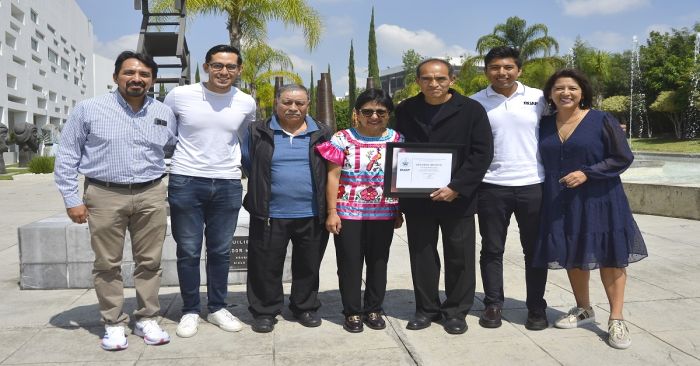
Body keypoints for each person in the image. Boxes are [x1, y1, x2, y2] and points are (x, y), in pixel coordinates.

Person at [54, 51, 175, 350]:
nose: (137, 79)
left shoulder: (163, 112)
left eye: (144, 74)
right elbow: (67, 155)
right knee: (107, 263)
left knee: (150, 261)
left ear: (152, 79)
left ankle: (147, 317)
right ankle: (113, 322)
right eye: (129, 73)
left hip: (151, 193)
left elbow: (171, 148)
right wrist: (72, 198)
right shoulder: (89, 109)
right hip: (104, 193)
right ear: (116, 76)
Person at [534, 68, 648, 349]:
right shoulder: (544, 124)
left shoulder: (601, 120)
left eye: (572, 88)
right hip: (562, 200)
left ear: (582, 92)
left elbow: (623, 157)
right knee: (573, 253)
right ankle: (583, 308)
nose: (566, 93)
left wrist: (588, 172)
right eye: (559, 88)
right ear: (550, 94)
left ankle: (617, 318)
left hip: (601, 198)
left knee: (611, 256)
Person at [394, 58, 493, 334]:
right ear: (418, 82)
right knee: (422, 255)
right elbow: (397, 148)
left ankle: (456, 312)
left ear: (452, 80)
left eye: (440, 78)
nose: (433, 84)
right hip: (417, 198)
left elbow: (482, 153)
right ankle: (426, 309)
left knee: (459, 256)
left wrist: (457, 186)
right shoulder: (406, 110)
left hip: (457, 198)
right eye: (427, 79)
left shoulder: (472, 110)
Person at [164, 44, 256, 338]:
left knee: (221, 251)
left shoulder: (245, 102)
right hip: (186, 180)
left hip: (228, 183)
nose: (223, 72)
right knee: (188, 250)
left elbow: (244, 140)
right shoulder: (179, 96)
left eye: (230, 67)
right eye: (217, 65)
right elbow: (166, 135)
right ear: (206, 67)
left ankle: (217, 307)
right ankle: (190, 310)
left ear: (239, 70)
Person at [470, 46, 549, 330]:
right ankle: (493, 304)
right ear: (487, 70)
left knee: (535, 250)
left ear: (519, 70)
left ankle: (536, 308)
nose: (501, 73)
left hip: (533, 185)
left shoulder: (540, 98)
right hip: (492, 186)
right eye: (495, 67)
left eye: (508, 67)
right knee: (492, 249)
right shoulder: (475, 102)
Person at [242, 84, 332, 333]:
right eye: (287, 102)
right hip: (269, 212)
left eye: (300, 103)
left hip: (312, 212)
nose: (293, 108)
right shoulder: (257, 131)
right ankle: (265, 310)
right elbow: (248, 162)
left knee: (308, 264)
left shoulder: (323, 133)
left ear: (308, 105)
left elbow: (330, 170)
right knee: (264, 265)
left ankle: (304, 306)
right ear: (276, 103)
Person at [316, 89, 404, 333]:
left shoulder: (397, 138)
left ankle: (374, 308)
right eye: (367, 111)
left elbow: (398, 178)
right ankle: (352, 312)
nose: (374, 116)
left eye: (380, 112)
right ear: (357, 114)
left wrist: (398, 210)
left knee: (378, 262)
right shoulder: (341, 139)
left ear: (388, 114)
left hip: (383, 212)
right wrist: (332, 211)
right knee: (350, 263)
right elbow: (332, 177)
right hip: (348, 212)